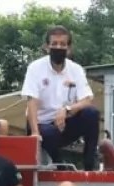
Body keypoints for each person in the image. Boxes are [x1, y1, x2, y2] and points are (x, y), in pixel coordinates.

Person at [22, 25, 99, 169]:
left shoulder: (76, 69)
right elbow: (32, 101)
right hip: (42, 124)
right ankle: (61, 165)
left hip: (65, 122)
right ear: (47, 47)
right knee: (48, 133)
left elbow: (87, 99)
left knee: (91, 113)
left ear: (68, 48)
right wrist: (35, 133)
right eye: (54, 44)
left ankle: (89, 165)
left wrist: (67, 109)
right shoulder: (35, 68)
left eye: (62, 44)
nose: (58, 47)